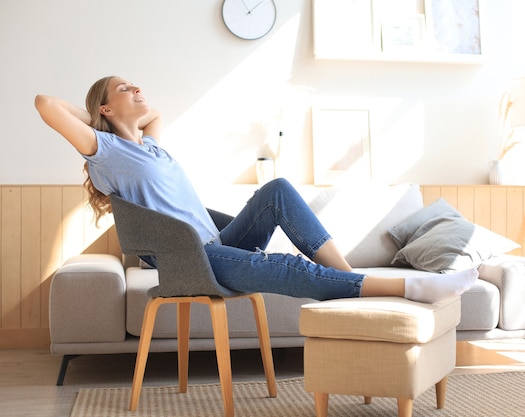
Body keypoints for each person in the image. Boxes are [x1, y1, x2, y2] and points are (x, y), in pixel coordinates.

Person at [35, 75, 478, 303]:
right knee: (285, 266)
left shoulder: (151, 147)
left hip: (213, 243)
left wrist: (116, 107)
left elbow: (154, 118)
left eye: (136, 84)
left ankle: (345, 279)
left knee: (278, 190)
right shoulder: (104, 149)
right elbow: (46, 105)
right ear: (107, 108)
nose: (137, 89)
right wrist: (98, 117)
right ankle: (412, 289)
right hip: (186, 258)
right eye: (123, 88)